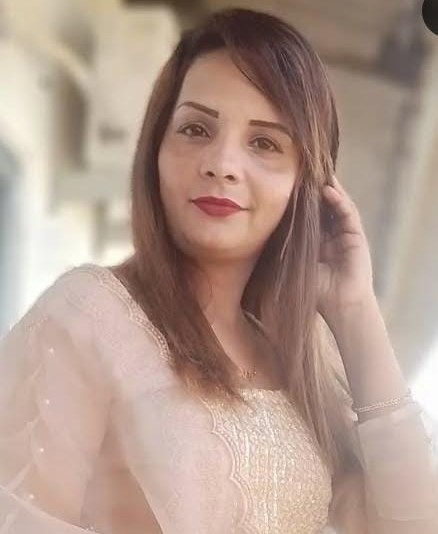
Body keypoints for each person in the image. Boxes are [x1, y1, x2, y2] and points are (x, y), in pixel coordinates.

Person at [0, 7, 437, 534]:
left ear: (306, 185)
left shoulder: (307, 363)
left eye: (264, 143)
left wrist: (355, 310)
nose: (222, 164)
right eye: (195, 129)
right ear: (155, 150)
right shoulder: (88, 316)